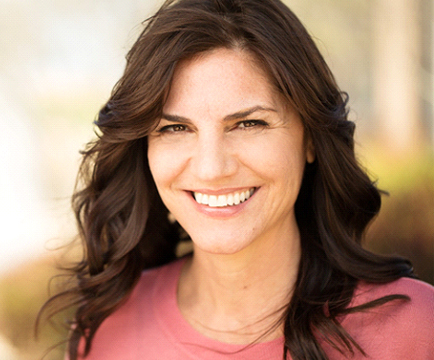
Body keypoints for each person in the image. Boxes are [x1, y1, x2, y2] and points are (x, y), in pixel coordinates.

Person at [41, 0, 434, 359]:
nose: (212, 168)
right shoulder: (107, 325)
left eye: (249, 123)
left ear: (310, 138)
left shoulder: (415, 329)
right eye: (175, 129)